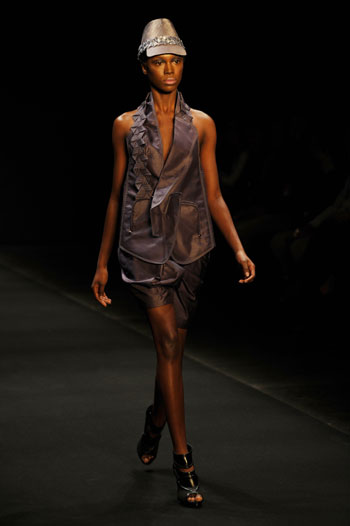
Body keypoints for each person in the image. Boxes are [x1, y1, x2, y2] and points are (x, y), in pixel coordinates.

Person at [91, 18, 255, 508]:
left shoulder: (201, 124)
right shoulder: (124, 125)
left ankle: (156, 421)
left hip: (191, 248)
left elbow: (214, 193)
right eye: (160, 61)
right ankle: (183, 462)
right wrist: (102, 264)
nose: (169, 69)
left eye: (176, 61)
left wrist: (239, 247)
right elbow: (117, 196)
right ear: (144, 66)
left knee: (173, 355)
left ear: (184, 64)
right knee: (166, 345)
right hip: (141, 248)